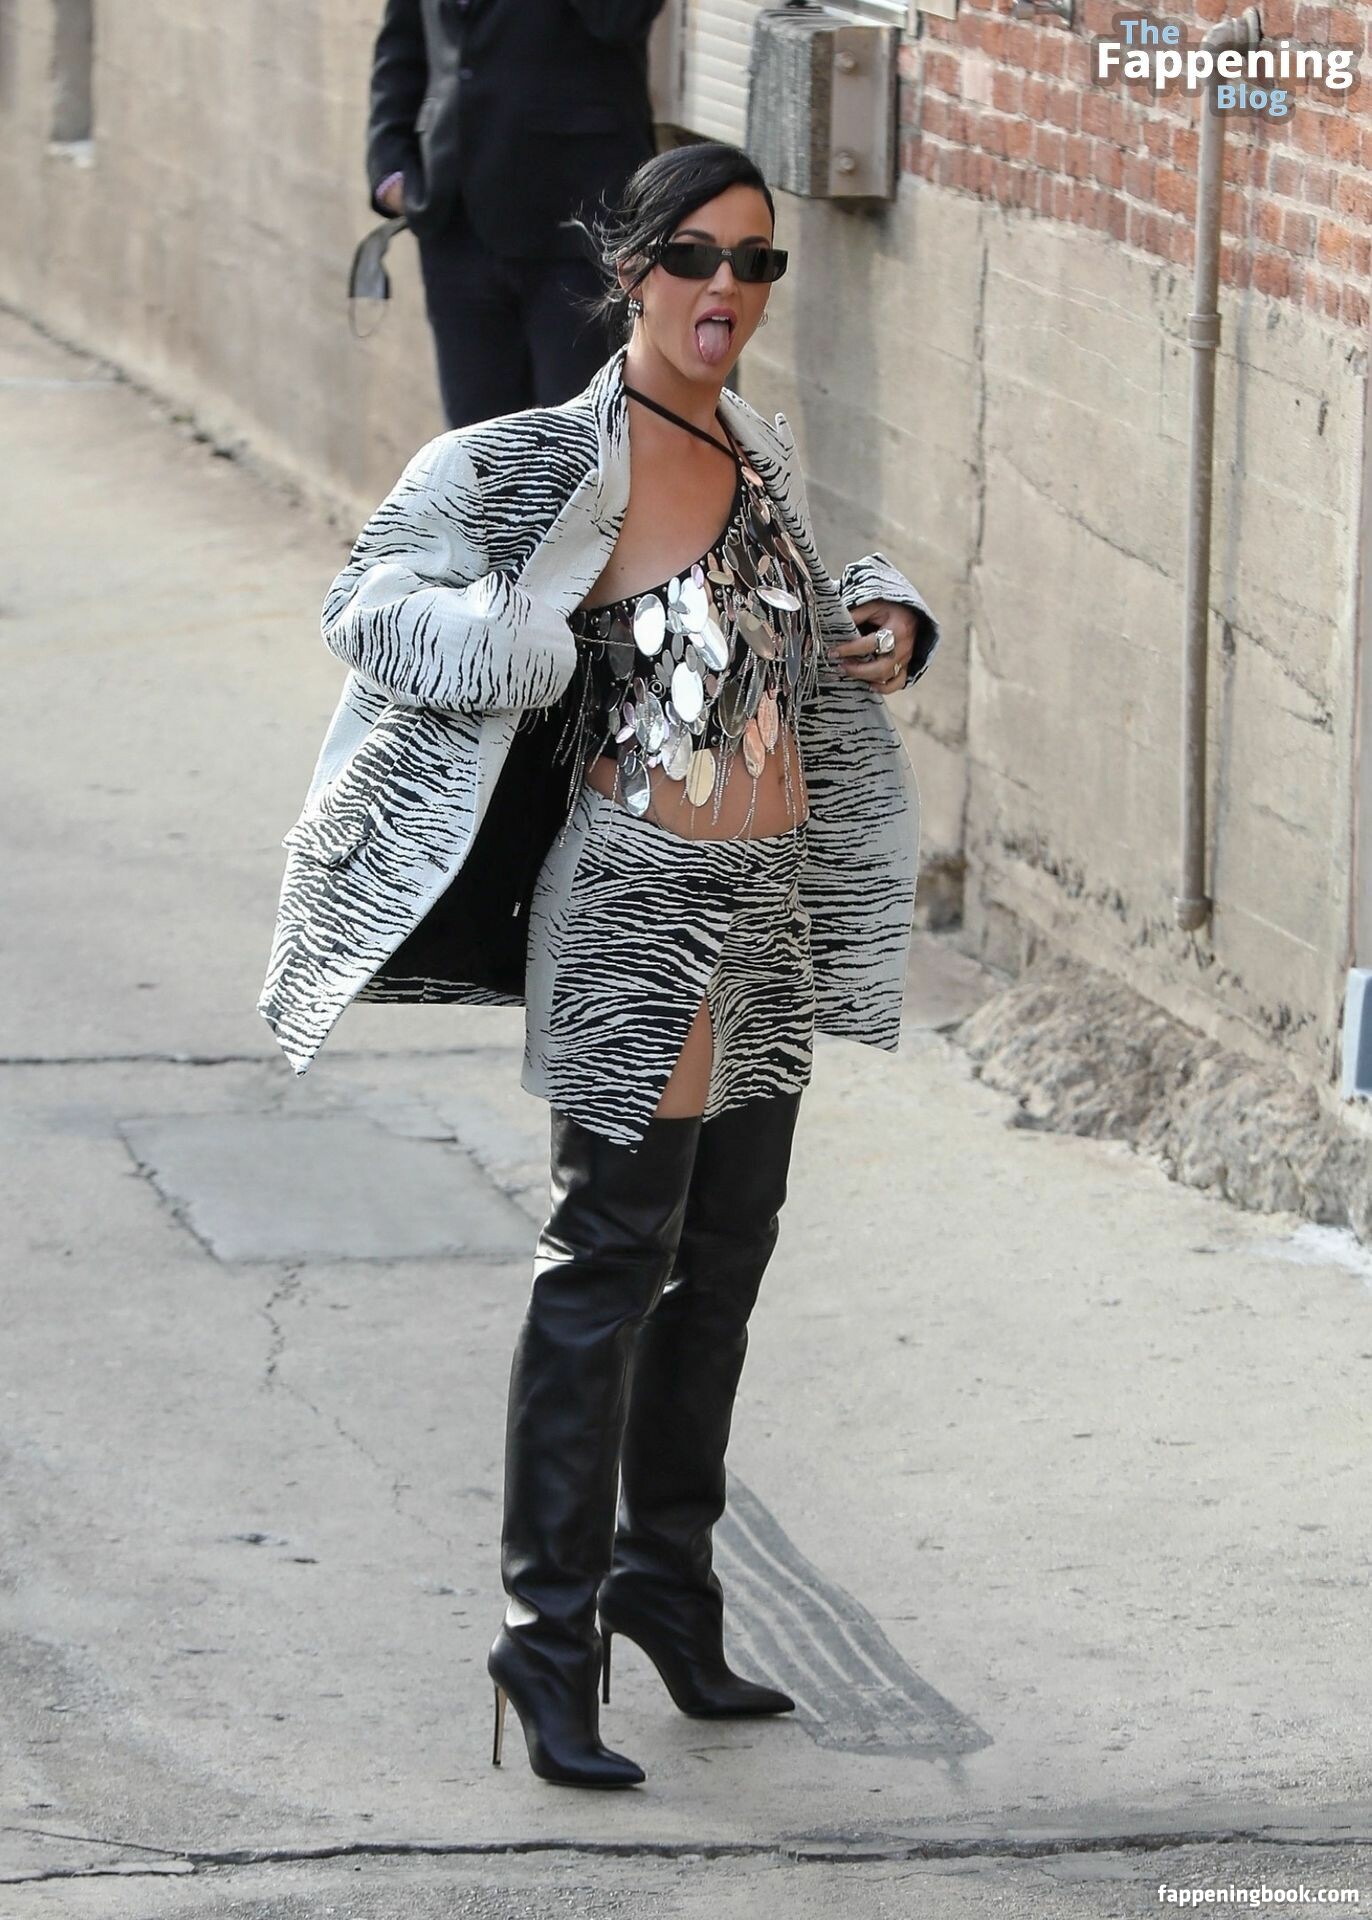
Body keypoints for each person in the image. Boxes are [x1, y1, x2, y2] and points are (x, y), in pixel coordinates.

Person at [256, 140, 940, 1789]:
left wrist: (889, 617)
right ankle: (544, 1636)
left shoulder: (759, 448)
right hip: (637, 903)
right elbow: (366, 603)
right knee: (607, 1268)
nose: (728, 290)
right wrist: (515, 640)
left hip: (765, 903)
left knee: (726, 1262)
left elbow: (802, 606)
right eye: (696, 257)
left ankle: (665, 1590)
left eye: (757, 263)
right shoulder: (537, 462)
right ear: (631, 270)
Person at [366, 0, 668, 426]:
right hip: (455, 226)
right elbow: (404, 43)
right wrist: (391, 169)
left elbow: (620, 18)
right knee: (476, 449)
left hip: (578, 232)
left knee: (582, 445)